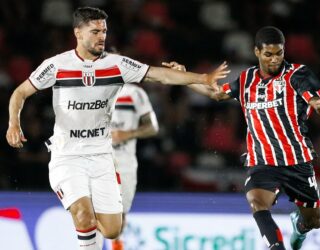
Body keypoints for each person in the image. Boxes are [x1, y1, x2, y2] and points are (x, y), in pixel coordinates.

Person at [5, 7, 229, 250]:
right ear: (78, 33)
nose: (102, 36)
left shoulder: (117, 65)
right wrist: (13, 124)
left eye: (104, 31)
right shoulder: (56, 65)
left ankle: (89, 229)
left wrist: (202, 78)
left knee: (112, 229)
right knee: (84, 216)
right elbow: (20, 92)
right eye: (95, 31)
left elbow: (159, 75)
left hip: (101, 157)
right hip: (67, 155)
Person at [164, 26, 320, 250]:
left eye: (279, 53)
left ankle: (299, 227)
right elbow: (216, 93)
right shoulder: (246, 79)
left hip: (297, 160)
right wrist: (184, 77)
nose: (274, 60)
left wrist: (319, 105)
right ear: (257, 52)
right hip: (261, 160)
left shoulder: (297, 74)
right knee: (257, 202)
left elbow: (311, 96)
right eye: (268, 54)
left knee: (313, 221)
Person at [110, 83, 159, 250]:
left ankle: (116, 244)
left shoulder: (135, 93)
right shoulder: (92, 88)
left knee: (119, 216)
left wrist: (127, 134)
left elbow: (153, 127)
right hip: (96, 159)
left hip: (124, 161)